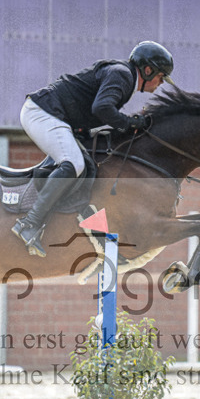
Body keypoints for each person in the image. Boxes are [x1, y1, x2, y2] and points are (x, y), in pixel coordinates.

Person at [12, 40, 175, 256]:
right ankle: (29, 224)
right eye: (161, 76)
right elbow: (102, 108)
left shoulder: (123, 76)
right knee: (74, 163)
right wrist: (130, 123)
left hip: (56, 116)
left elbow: (95, 109)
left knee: (89, 163)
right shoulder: (123, 75)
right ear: (148, 70)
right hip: (43, 113)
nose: (161, 83)